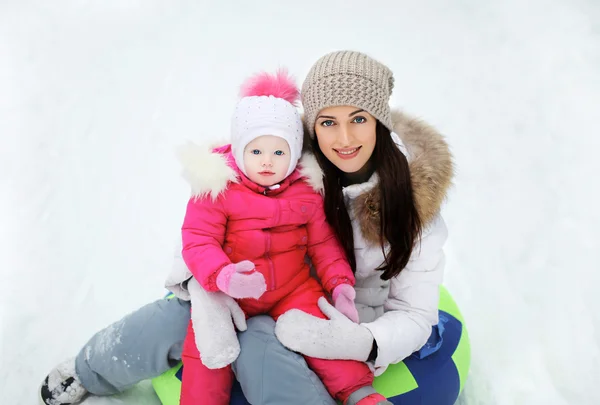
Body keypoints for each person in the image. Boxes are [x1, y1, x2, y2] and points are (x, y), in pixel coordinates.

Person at [40, 50, 453, 405]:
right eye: (328, 122)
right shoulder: (281, 156)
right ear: (310, 126)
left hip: (327, 314)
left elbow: (416, 314)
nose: (343, 137)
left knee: (260, 348)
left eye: (358, 119)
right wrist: (211, 278)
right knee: (174, 322)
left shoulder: (413, 204)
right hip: (245, 285)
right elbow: (208, 226)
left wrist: (361, 342)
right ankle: (88, 368)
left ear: (379, 121)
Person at [174, 69, 388, 405]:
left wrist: (340, 284)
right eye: (256, 152)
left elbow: (323, 245)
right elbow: (198, 240)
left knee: (321, 331)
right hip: (231, 289)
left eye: (279, 152)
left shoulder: (305, 191)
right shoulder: (218, 188)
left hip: (292, 287)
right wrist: (224, 275)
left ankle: (360, 394)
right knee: (207, 346)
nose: (267, 163)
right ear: (240, 148)